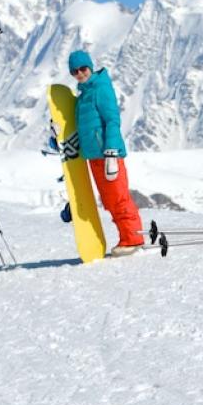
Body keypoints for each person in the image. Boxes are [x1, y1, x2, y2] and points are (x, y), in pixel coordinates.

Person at [68, 49, 144, 256]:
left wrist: (111, 151)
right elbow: (83, 126)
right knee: (110, 200)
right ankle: (127, 237)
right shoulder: (84, 95)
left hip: (107, 154)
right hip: (93, 156)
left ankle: (133, 238)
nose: (80, 73)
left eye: (83, 68)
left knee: (119, 197)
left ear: (90, 67)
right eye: (75, 71)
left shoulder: (101, 88)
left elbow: (112, 119)